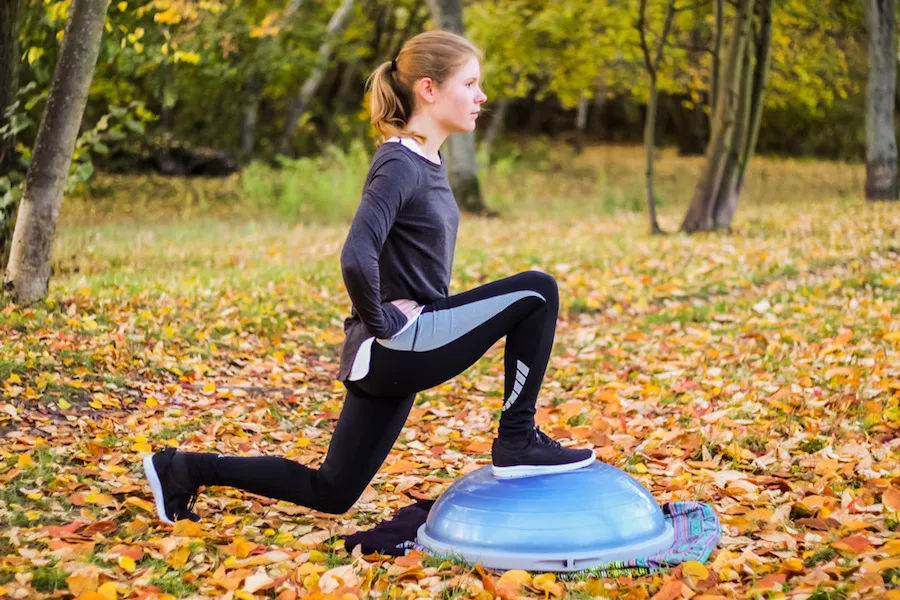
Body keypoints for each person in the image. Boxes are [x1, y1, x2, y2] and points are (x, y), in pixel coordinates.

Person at [142, 30, 594, 525]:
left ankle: (180, 467)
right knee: (537, 290)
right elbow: (357, 254)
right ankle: (517, 438)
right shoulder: (399, 162)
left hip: (389, 353)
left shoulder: (426, 160)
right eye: (470, 83)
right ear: (428, 89)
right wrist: (382, 321)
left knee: (332, 490)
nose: (481, 96)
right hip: (396, 342)